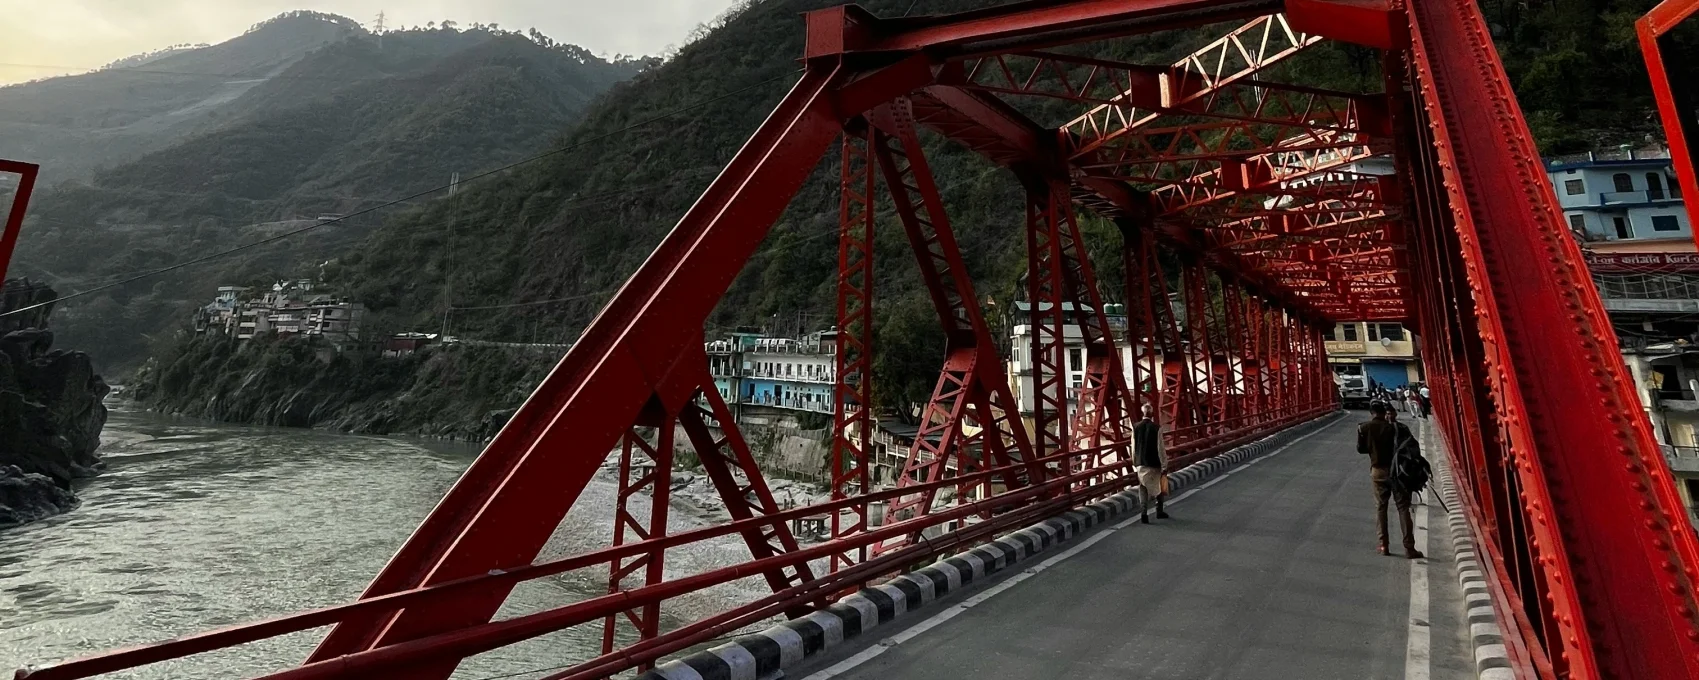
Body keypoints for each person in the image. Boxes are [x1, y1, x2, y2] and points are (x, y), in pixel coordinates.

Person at [1359, 401, 1423, 559]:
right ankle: (1409, 548)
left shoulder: (1363, 428)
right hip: (1397, 472)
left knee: (1381, 507)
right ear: (1384, 412)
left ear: (1371, 412)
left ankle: (1383, 545)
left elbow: (1361, 449)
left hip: (1377, 471)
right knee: (1403, 508)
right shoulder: (1396, 428)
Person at [1132, 403, 1169, 524]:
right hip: (1154, 463)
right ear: (1152, 414)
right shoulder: (1157, 428)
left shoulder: (1135, 427)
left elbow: (1133, 447)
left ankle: (1144, 514)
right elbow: (1160, 448)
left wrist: (1135, 462)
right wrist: (1164, 465)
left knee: (1143, 487)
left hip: (1141, 463)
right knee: (1159, 486)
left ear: (1142, 413)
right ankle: (1159, 511)